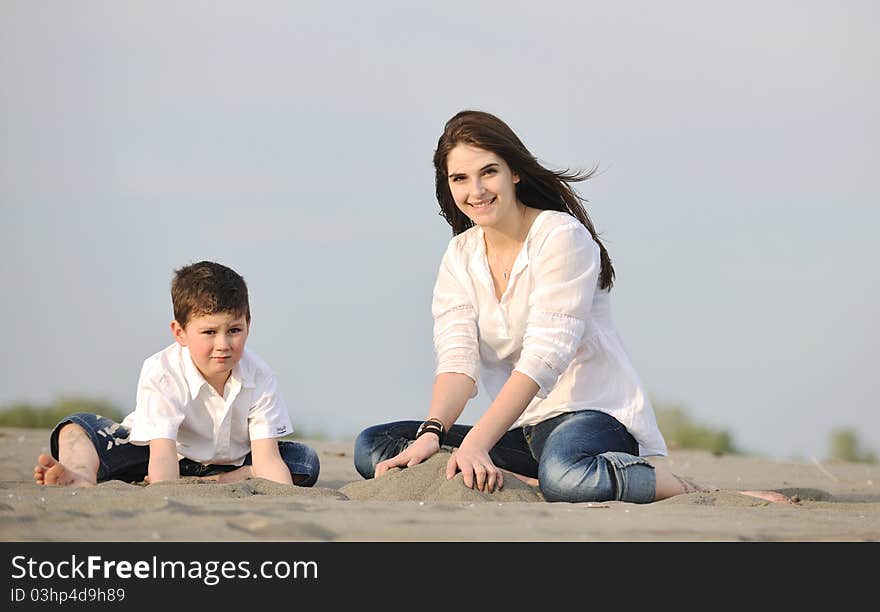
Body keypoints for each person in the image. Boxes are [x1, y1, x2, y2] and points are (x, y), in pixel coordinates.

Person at [354, 110, 789, 504]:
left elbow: (545, 357)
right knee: (376, 446)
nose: (477, 190)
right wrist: (434, 433)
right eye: (460, 179)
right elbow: (457, 361)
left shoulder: (561, 236)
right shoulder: (460, 255)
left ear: (515, 174)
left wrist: (475, 443)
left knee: (566, 475)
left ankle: (693, 490)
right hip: (520, 430)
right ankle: (524, 480)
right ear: (447, 186)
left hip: (593, 417)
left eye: (489, 172)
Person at [33, 260, 320, 488]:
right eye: (209, 332)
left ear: (248, 324)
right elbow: (160, 455)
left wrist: (266, 481)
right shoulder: (162, 371)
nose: (223, 345)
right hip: (163, 453)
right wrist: (166, 486)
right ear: (180, 333)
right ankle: (81, 476)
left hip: (231, 460)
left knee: (303, 461)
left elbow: (267, 458)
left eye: (234, 330)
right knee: (77, 426)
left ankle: (221, 479)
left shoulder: (260, 376)